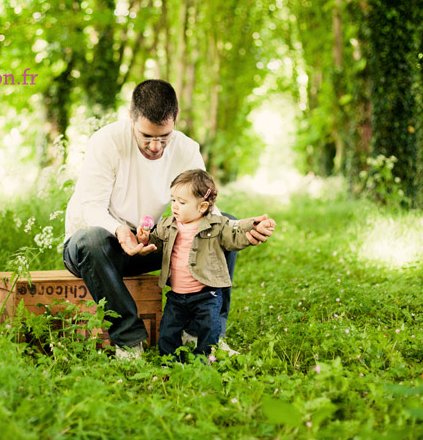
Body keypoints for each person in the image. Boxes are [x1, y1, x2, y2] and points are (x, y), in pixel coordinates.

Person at [62, 79, 274, 360]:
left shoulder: (186, 149)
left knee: (219, 228)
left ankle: (202, 334)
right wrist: (120, 232)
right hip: (99, 248)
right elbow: (91, 207)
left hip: (150, 243)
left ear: (175, 120)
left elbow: (207, 209)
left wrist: (241, 228)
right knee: (92, 239)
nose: (155, 146)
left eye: (164, 137)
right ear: (131, 118)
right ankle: (128, 340)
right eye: (146, 136)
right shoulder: (106, 142)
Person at [136, 169, 275, 360]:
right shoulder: (168, 225)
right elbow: (156, 241)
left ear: (202, 207)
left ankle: (205, 357)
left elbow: (234, 235)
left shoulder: (215, 226)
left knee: (209, 329)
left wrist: (253, 229)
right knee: (168, 329)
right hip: (177, 295)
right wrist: (145, 238)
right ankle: (169, 360)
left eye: (182, 202)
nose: (175, 206)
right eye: (173, 200)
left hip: (205, 294)